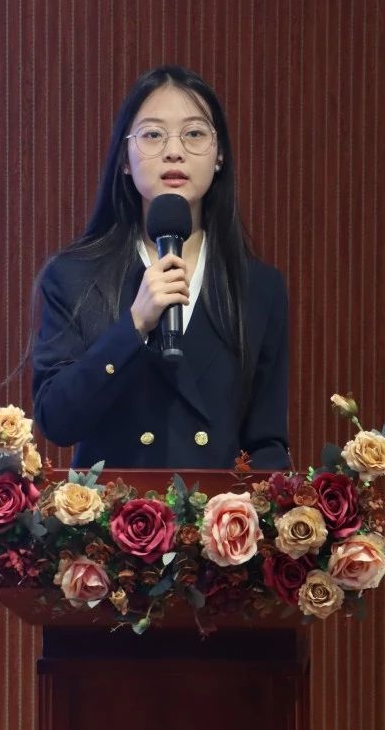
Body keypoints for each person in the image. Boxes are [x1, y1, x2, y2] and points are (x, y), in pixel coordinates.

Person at [30, 65, 290, 470]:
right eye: (152, 135)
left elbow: (267, 443)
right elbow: (57, 421)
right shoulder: (73, 277)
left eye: (194, 134)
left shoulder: (259, 288)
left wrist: (257, 507)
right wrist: (135, 325)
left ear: (219, 156)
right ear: (125, 159)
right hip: (110, 511)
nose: (174, 151)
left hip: (216, 511)